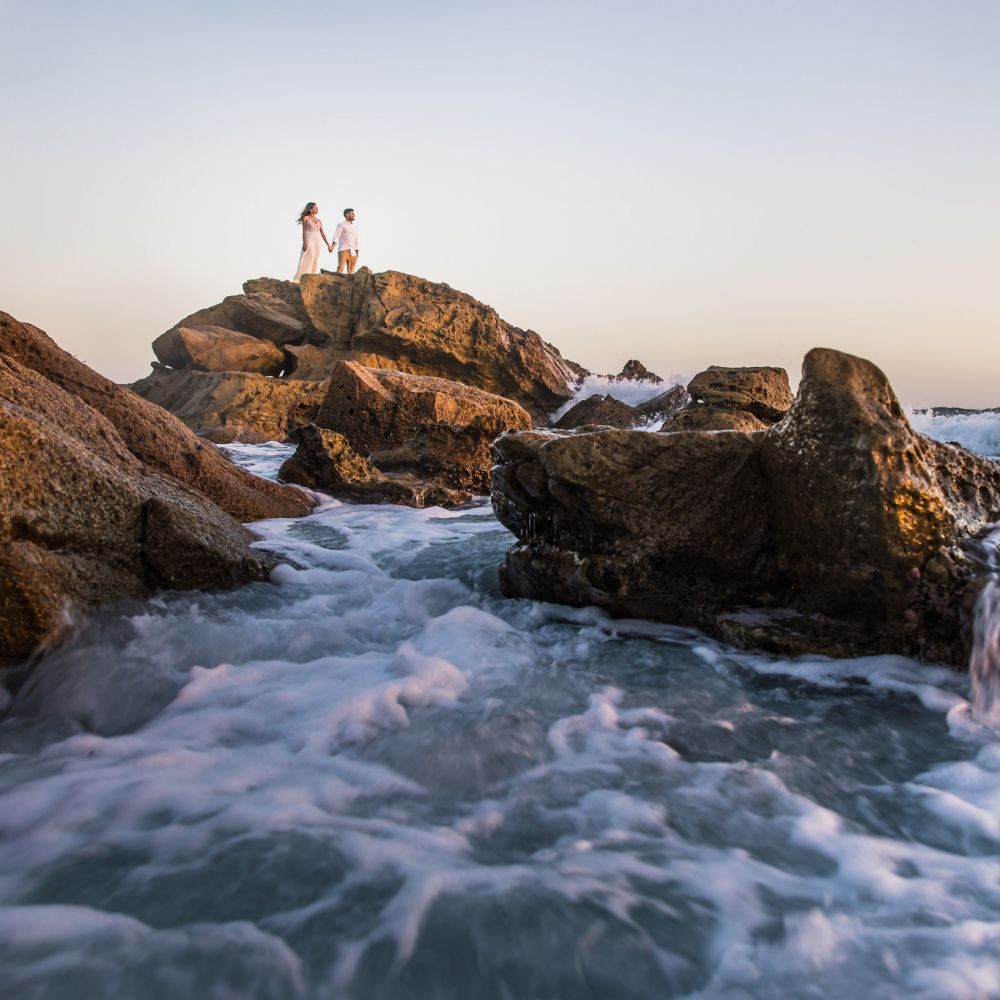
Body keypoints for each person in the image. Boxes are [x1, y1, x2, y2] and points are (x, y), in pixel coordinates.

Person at [293, 202, 332, 282]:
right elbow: (304, 231)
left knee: (315, 257)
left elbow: (323, 233)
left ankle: (312, 275)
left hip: (317, 240)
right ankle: (301, 276)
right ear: (311, 209)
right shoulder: (306, 218)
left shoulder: (319, 220)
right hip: (309, 238)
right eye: (315, 208)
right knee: (307, 256)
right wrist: (304, 243)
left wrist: (328, 245)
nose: (317, 209)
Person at [332, 208, 360, 273]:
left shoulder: (355, 227)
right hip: (343, 249)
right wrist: (332, 247)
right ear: (347, 215)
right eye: (352, 213)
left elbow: (356, 239)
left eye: (353, 213)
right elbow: (336, 236)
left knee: (351, 272)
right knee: (340, 269)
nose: (354, 215)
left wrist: (357, 251)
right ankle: (336, 282)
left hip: (353, 251)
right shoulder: (341, 225)